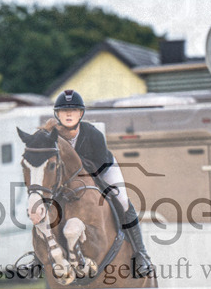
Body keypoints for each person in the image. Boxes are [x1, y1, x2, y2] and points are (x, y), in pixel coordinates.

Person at [51, 89, 154, 278]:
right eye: (64, 111)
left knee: (122, 201)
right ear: (57, 114)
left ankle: (141, 253)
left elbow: (98, 164)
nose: (68, 115)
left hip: (102, 170)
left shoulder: (92, 134)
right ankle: (40, 255)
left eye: (72, 111)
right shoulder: (53, 137)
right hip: (68, 180)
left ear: (80, 114)